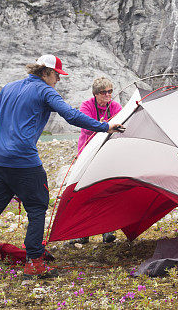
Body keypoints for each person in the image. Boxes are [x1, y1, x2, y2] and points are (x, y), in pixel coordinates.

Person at [0, 54, 123, 284]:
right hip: (25, 162)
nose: (58, 81)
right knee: (37, 208)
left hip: (0, 163)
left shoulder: (9, 88)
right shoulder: (45, 91)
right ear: (47, 73)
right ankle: (34, 264)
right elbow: (71, 116)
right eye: (57, 76)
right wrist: (105, 127)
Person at [71, 76, 123, 245]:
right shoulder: (87, 105)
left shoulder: (115, 106)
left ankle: (107, 230)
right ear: (95, 94)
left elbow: (121, 124)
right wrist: (101, 125)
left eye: (110, 91)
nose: (108, 95)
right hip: (88, 152)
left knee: (106, 190)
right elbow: (85, 127)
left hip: (108, 152)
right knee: (86, 191)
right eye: (103, 92)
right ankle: (83, 233)